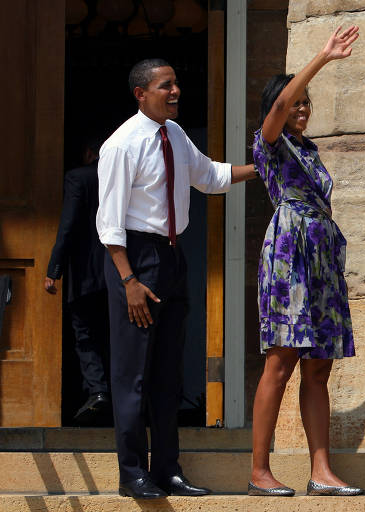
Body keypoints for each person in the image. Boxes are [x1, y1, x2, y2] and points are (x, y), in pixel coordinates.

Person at [96, 58, 258, 500]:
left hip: (171, 257)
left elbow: (210, 177)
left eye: (176, 84)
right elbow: (108, 225)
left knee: (168, 373)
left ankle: (167, 469)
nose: (175, 91)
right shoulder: (122, 145)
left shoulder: (177, 136)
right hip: (135, 259)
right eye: (165, 86)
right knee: (134, 375)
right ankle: (132, 472)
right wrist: (129, 281)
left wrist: (262, 167)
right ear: (140, 94)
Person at [248, 26, 362, 497]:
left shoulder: (310, 150)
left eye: (306, 102)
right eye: (296, 101)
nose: (301, 108)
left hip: (321, 259)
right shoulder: (268, 141)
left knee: (319, 366)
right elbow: (276, 110)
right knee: (282, 360)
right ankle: (259, 470)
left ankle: (322, 471)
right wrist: (322, 57)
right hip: (289, 256)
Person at [45, 137, 111, 425]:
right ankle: (123, 399)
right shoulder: (120, 177)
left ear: (88, 152)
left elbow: (68, 225)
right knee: (116, 336)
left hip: (85, 273)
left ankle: (98, 391)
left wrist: (53, 269)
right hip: (119, 273)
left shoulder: (77, 178)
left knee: (85, 335)